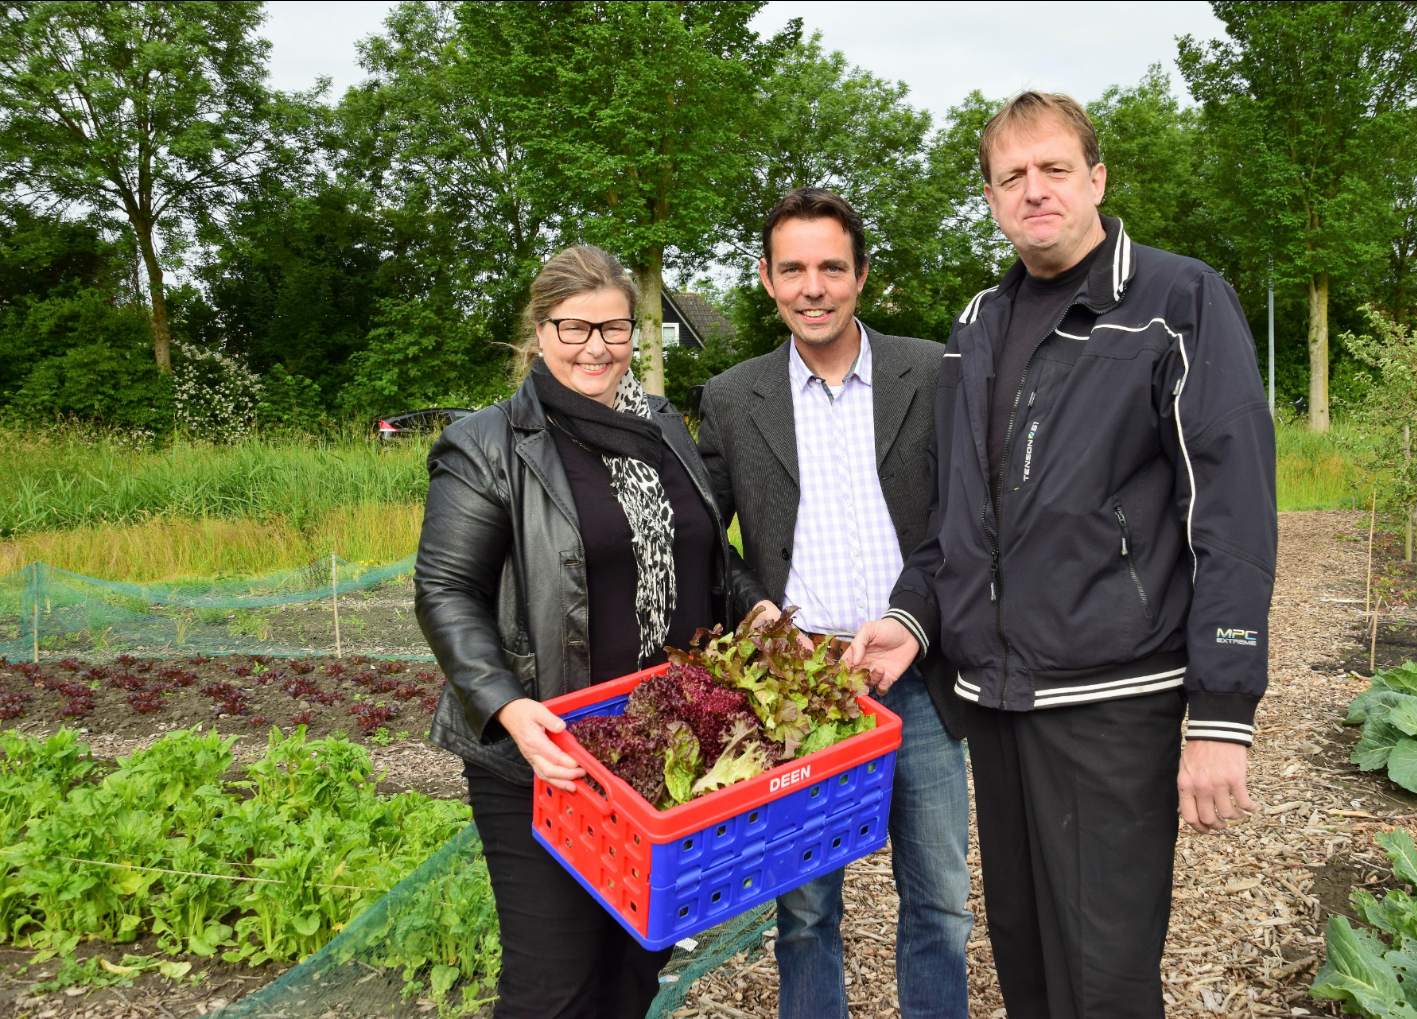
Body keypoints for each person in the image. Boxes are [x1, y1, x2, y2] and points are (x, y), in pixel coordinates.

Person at [847, 92, 1278, 1019]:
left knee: (1106, 978)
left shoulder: (1177, 301)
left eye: (1052, 169)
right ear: (993, 198)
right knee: (1030, 963)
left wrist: (1222, 710)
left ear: (1096, 178)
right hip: (997, 702)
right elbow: (958, 512)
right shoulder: (976, 324)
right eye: (1012, 176)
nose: (1034, 190)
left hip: (1112, 698)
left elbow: (1231, 510)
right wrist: (911, 617)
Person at [414, 245, 733, 1019]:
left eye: (614, 327)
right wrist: (506, 706)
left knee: (632, 972)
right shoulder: (489, 444)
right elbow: (445, 589)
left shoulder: (659, 423)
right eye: (574, 327)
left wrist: (747, 607)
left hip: (655, 757)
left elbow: (706, 548)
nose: (596, 346)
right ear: (539, 329)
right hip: (545, 755)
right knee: (553, 988)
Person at [698, 187, 973, 1019]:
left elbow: (966, 518)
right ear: (766, 279)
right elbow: (708, 542)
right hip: (800, 684)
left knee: (941, 898)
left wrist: (914, 620)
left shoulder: (930, 372)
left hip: (913, 671)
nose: (812, 287)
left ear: (860, 276)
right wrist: (755, 612)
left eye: (830, 267)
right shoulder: (731, 397)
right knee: (807, 908)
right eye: (793, 269)